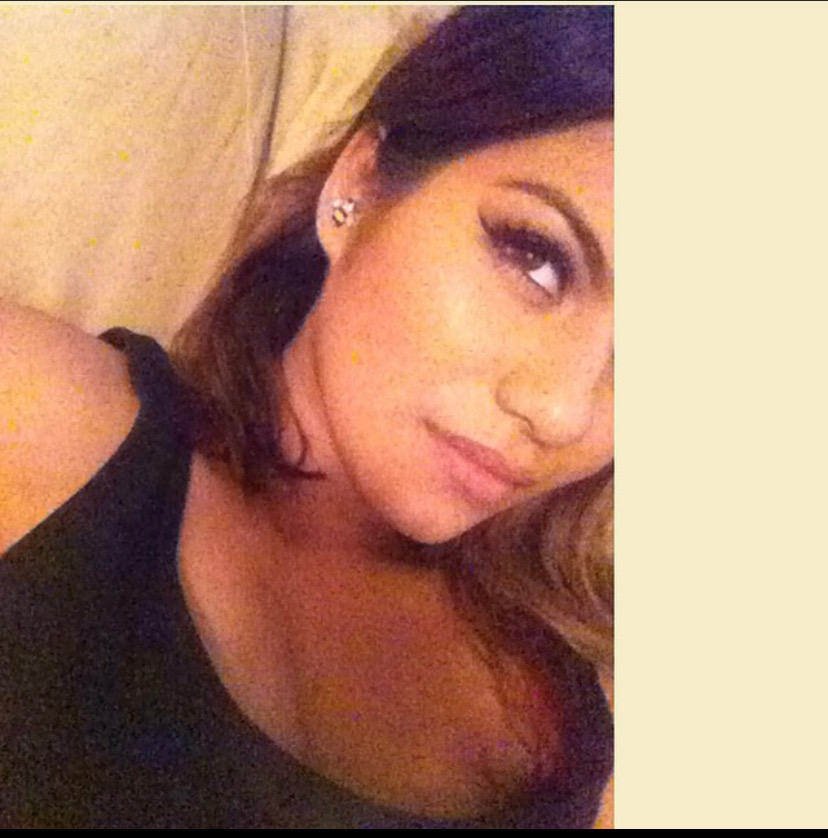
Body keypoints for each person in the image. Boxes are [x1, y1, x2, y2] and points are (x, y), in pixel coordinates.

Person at [0, 6, 614, 829]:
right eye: (536, 262)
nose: (563, 411)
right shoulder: (41, 418)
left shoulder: (578, 698)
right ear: (358, 183)